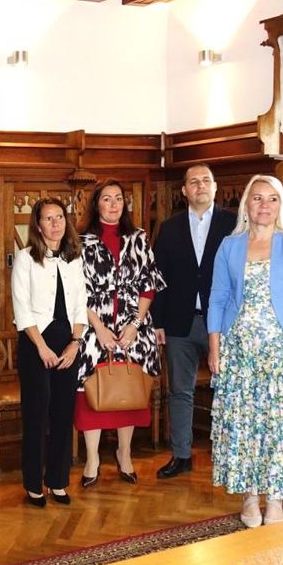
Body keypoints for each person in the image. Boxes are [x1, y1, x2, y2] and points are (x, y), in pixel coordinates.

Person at [207, 174, 283, 528]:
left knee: (279, 427)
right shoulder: (230, 245)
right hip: (239, 353)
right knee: (243, 426)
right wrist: (215, 348)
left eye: (272, 198)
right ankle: (250, 497)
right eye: (257, 198)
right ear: (247, 204)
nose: (264, 205)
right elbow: (217, 299)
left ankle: (275, 499)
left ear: (280, 205)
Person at [76, 180, 166, 485]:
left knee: (129, 391)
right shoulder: (80, 241)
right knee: (91, 391)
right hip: (93, 328)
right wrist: (99, 328)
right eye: (107, 199)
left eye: (118, 198)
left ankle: (124, 453)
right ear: (96, 204)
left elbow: (149, 286)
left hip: (133, 329)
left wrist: (135, 325)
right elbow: (75, 291)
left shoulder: (138, 238)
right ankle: (92, 459)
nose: (114, 204)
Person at [151, 164, 236, 479]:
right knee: (180, 392)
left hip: (223, 324)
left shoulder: (235, 224)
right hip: (179, 323)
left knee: (228, 391)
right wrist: (158, 322)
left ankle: (229, 456)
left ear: (215, 187)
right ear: (184, 190)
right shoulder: (169, 228)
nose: (200, 186)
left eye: (206, 180)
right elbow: (159, 278)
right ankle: (182, 455)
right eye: (194, 182)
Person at [12, 198, 87, 507]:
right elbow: (21, 307)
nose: (55, 223)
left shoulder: (74, 259)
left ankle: (57, 481)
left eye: (59, 217)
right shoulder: (26, 258)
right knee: (37, 414)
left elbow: (81, 305)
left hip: (68, 344)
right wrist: (41, 347)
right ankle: (33, 484)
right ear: (38, 225)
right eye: (48, 218)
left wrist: (75, 343)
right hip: (35, 344)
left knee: (62, 414)